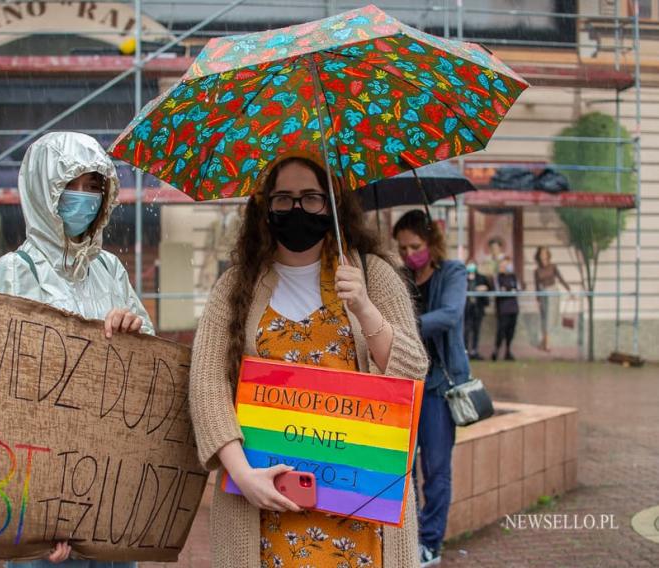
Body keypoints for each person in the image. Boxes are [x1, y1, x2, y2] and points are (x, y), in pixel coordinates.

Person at [189, 155, 429, 568]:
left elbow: (410, 373)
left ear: (333, 204)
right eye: (284, 198)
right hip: (264, 512)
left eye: (311, 198)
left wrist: (367, 309)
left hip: (360, 516)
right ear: (265, 207)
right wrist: (243, 476)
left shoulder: (372, 274)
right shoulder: (235, 285)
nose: (297, 209)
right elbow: (207, 385)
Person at [0, 131, 152, 567]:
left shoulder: (110, 269)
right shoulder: (14, 274)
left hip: (108, 488)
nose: (84, 197)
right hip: (39, 489)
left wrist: (134, 333)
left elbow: (152, 370)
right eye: (70, 186)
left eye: (94, 186)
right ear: (44, 190)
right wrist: (37, 508)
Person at [392, 210, 470, 567]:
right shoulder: (400, 276)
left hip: (440, 385)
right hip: (405, 382)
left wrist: (403, 326)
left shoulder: (451, 272)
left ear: (432, 242)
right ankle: (408, 537)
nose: (410, 254)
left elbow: (450, 314)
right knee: (404, 467)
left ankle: (431, 544)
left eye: (416, 246)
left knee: (436, 468)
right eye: (403, 248)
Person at [534, 246, 570, 351]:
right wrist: (538, 299)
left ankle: (546, 343)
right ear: (538, 256)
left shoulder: (553, 266)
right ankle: (544, 342)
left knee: (550, 317)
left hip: (553, 292)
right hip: (543, 293)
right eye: (541, 254)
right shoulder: (537, 270)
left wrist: (569, 290)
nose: (543, 256)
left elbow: (560, 278)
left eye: (545, 253)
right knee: (545, 318)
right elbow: (537, 285)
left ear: (548, 255)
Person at [492, 257, 521, 361]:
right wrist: (509, 290)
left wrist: (508, 290)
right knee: (501, 331)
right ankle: (496, 351)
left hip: (514, 308)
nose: (505, 267)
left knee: (511, 331)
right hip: (503, 309)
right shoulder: (497, 277)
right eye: (503, 265)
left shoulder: (513, 277)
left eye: (507, 265)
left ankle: (508, 352)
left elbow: (518, 289)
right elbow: (499, 291)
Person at [464, 260, 490, 360]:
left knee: (476, 330)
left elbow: (489, 288)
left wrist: (484, 288)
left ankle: (474, 351)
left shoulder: (481, 278)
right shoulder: (463, 278)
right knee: (466, 331)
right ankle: (465, 351)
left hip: (478, 308)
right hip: (466, 309)